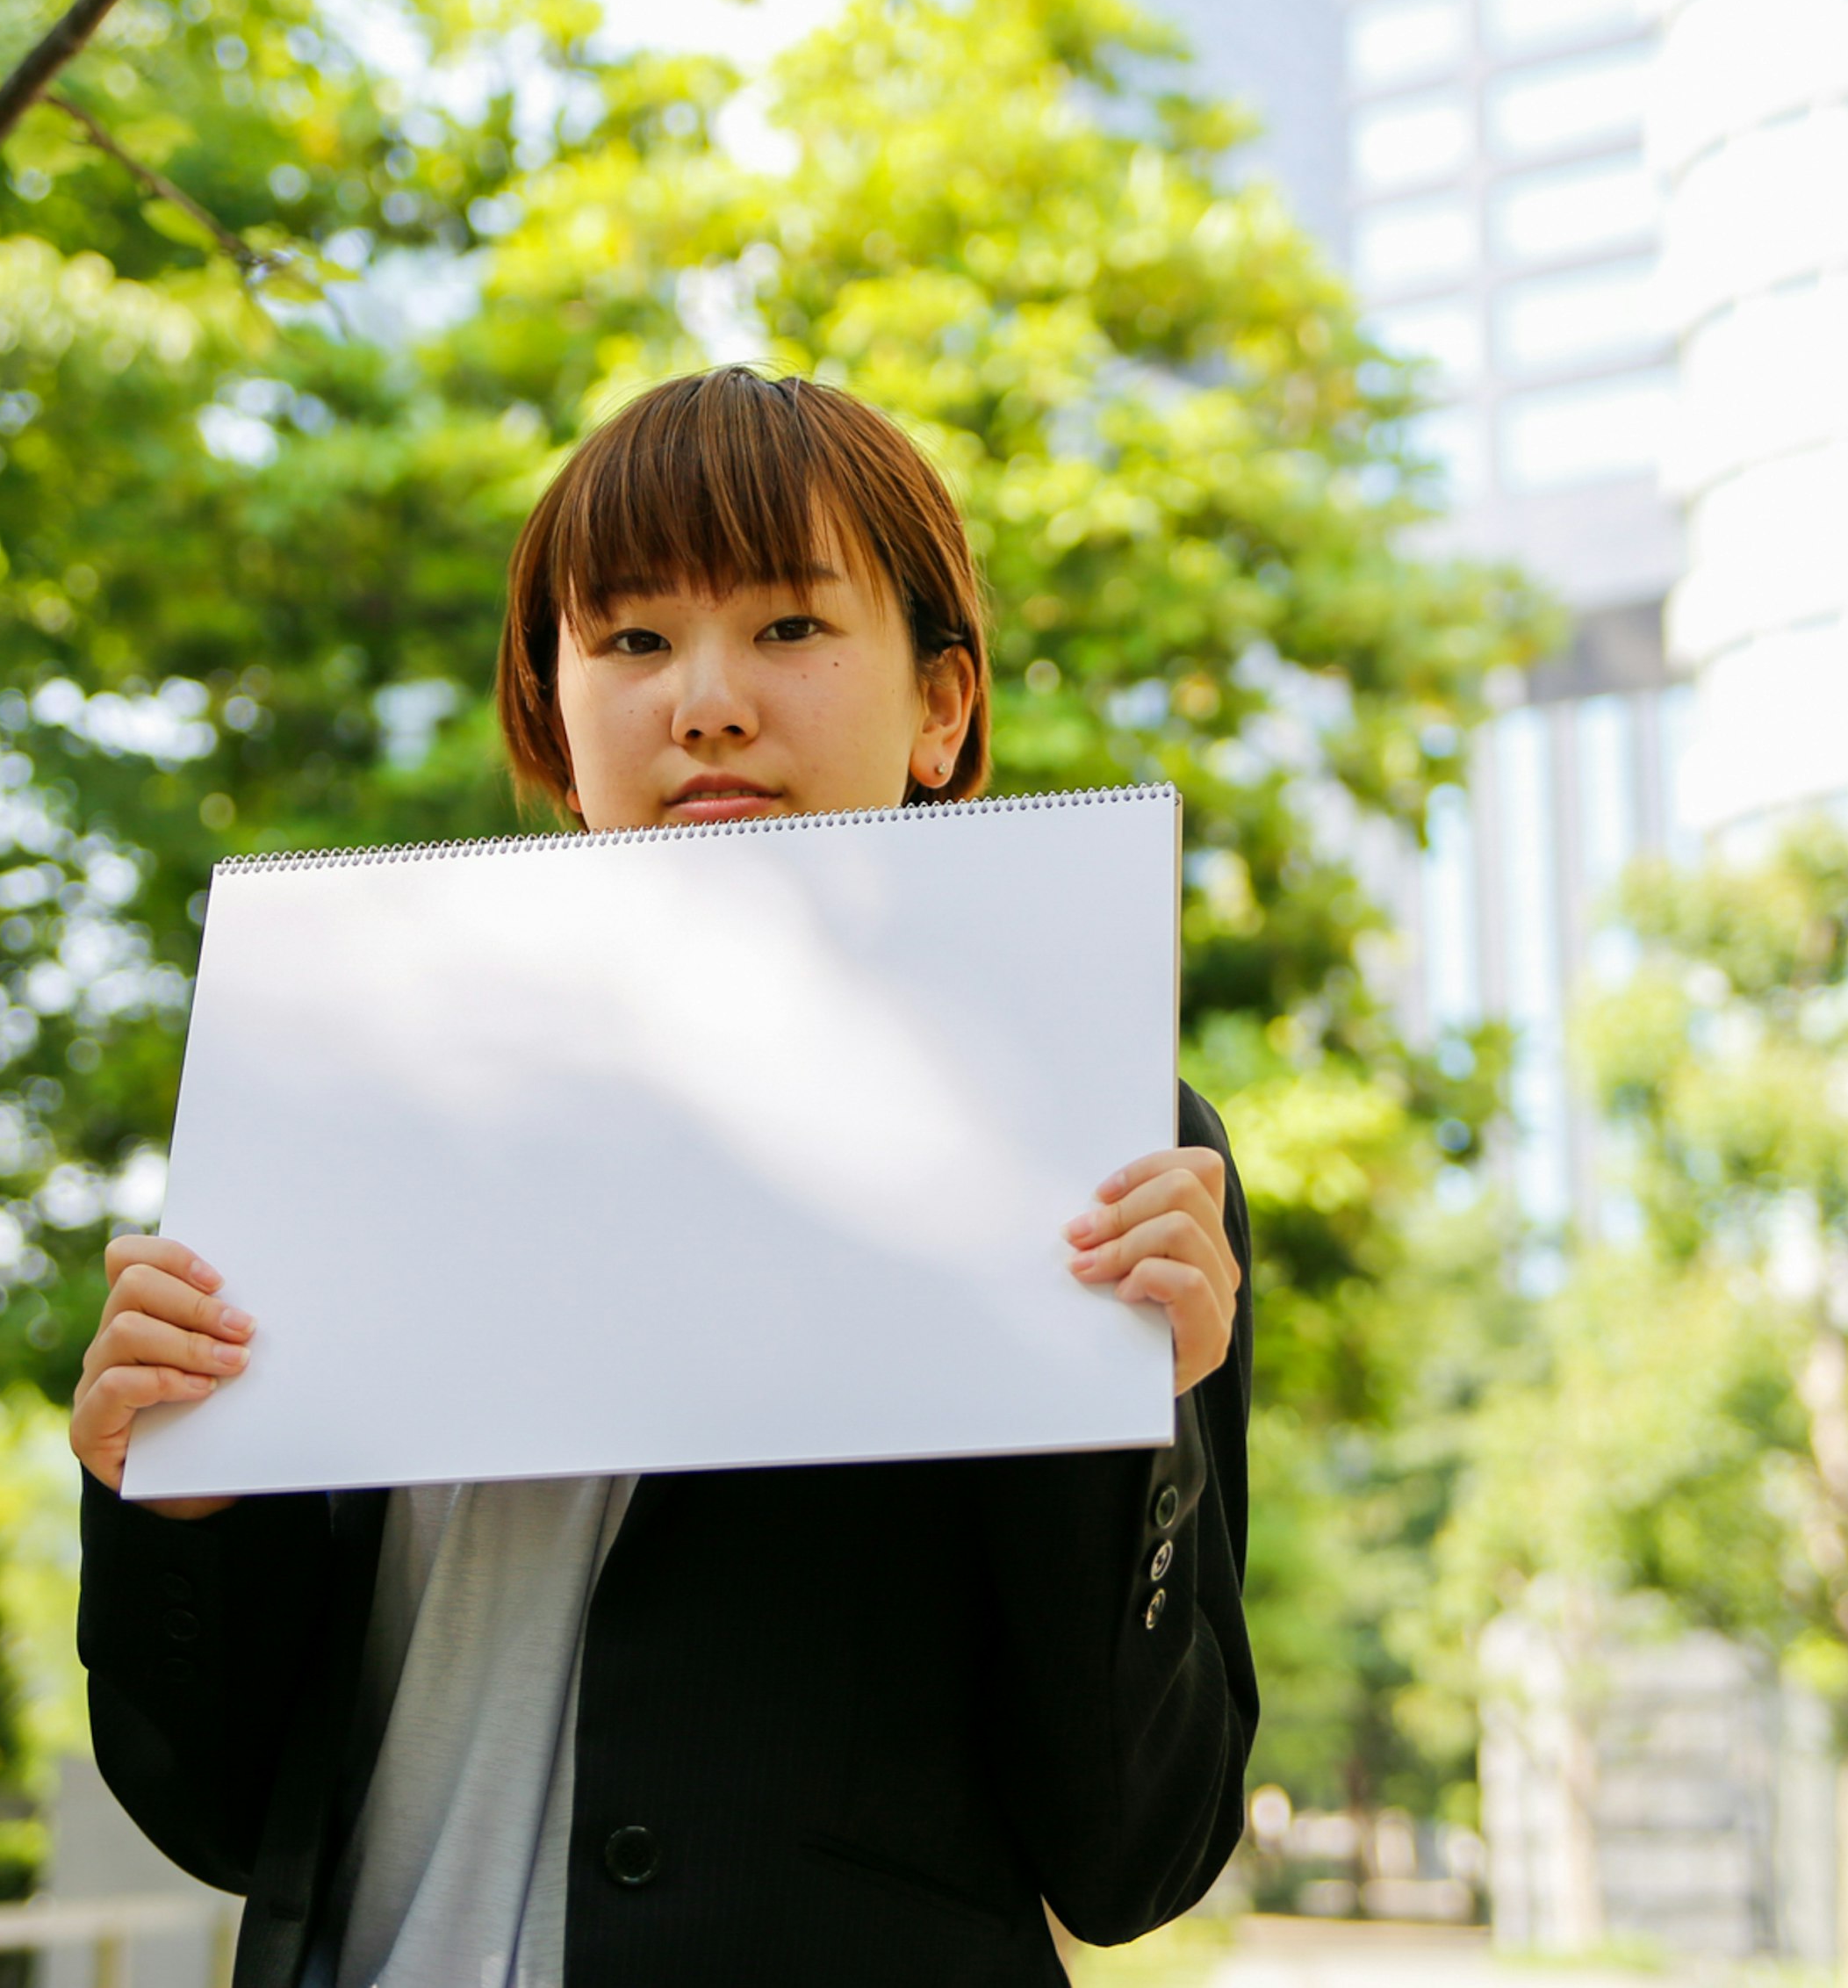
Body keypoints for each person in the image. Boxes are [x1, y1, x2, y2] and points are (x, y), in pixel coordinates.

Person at [72, 366, 1258, 1987]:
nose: (703, 701)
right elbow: (222, 1808)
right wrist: (181, 1503)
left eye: (789, 628)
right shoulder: (360, 1111)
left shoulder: (1107, 1150)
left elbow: (1134, 1854)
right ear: (552, 719)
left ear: (942, 707)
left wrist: (1143, 1425)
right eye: (629, 640)